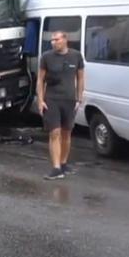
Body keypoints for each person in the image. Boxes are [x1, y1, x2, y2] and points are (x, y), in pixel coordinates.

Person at [37, 31, 85, 180]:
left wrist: (79, 98)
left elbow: (80, 77)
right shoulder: (46, 57)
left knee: (66, 133)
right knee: (55, 133)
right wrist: (40, 100)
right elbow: (40, 79)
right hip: (52, 99)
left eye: (56, 39)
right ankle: (56, 167)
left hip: (69, 100)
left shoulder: (76, 56)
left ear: (65, 40)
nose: (53, 42)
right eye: (52, 40)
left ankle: (63, 163)